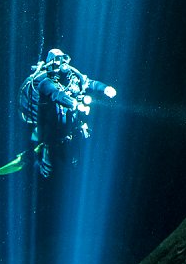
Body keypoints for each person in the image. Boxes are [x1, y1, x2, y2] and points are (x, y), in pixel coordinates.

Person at [19, 48, 116, 178]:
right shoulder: (44, 82)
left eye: (64, 59)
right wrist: (74, 103)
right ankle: (36, 159)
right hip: (50, 130)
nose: (62, 63)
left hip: (68, 128)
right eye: (57, 60)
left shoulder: (73, 77)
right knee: (48, 166)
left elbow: (89, 83)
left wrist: (104, 88)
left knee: (74, 155)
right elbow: (56, 94)